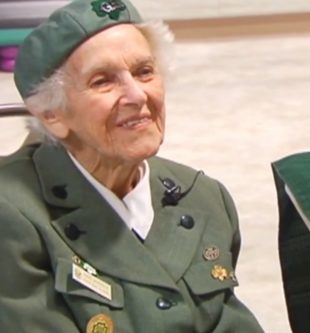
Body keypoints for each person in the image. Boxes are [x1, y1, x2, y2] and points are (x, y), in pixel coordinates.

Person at [0, 1, 264, 332]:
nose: (137, 95)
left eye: (144, 72)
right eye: (102, 81)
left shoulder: (205, 197)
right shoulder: (12, 215)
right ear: (52, 114)